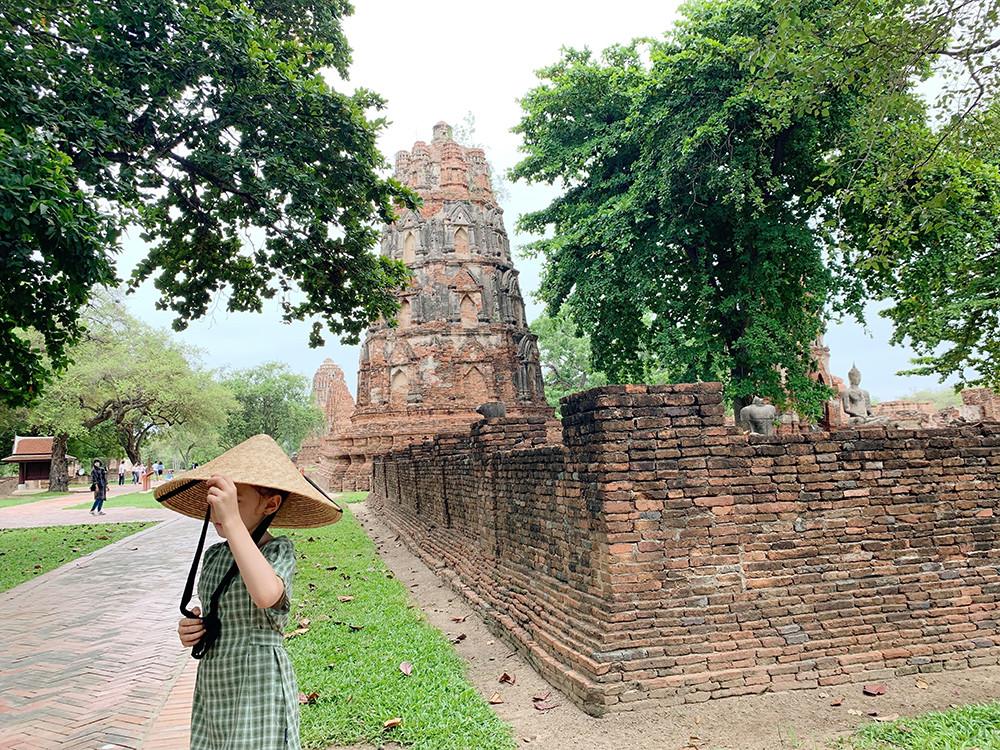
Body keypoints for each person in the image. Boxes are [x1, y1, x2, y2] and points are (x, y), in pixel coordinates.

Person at [158, 434, 342, 750]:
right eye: (217, 502)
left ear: (270, 504)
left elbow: (266, 594)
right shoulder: (215, 556)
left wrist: (232, 523)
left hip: (258, 681)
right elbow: (218, 615)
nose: (219, 512)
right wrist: (194, 630)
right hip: (216, 679)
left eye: (234, 502)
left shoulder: (278, 551)